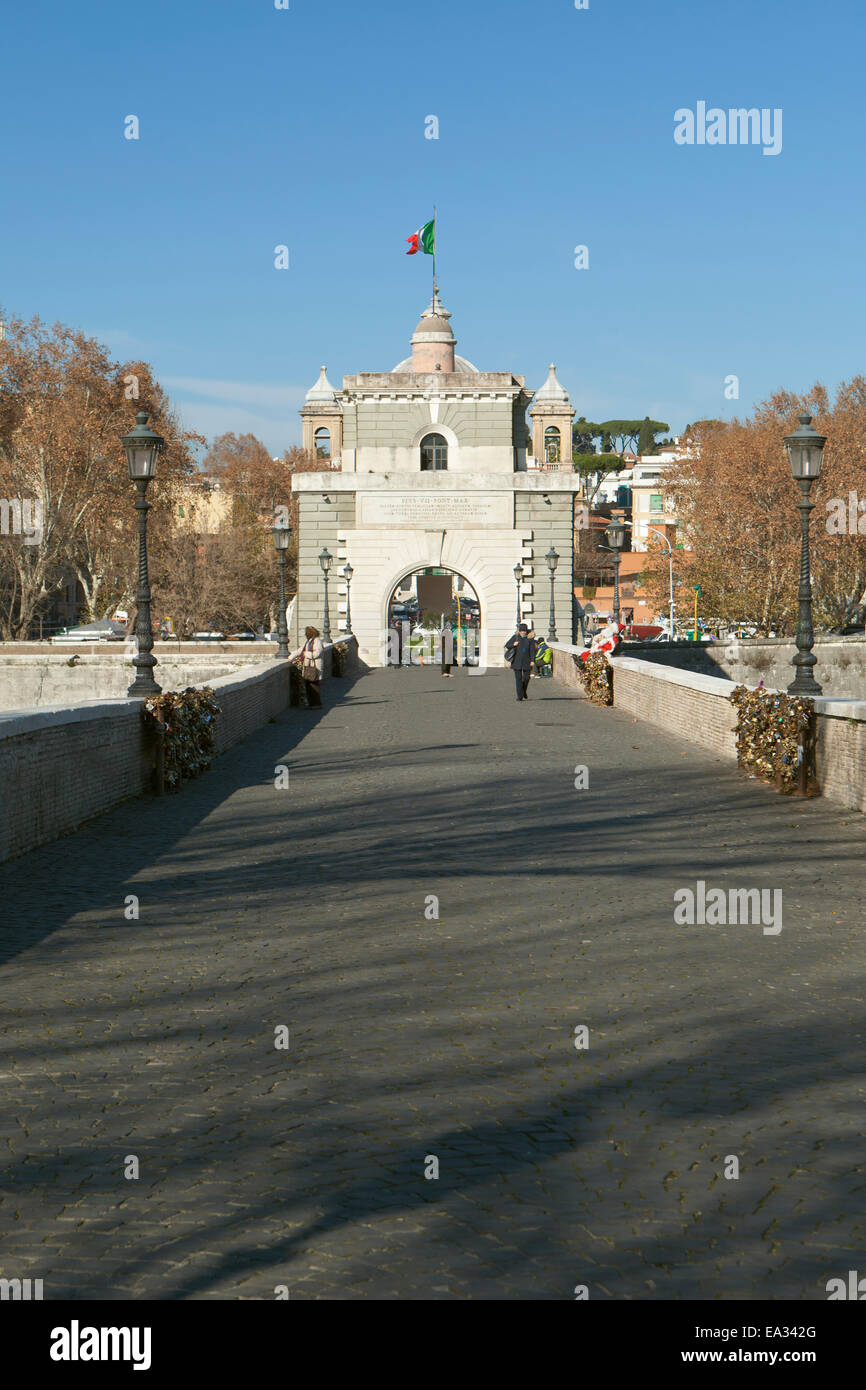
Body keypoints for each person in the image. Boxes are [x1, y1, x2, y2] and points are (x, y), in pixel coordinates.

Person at [289, 625, 324, 708]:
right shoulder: (309, 641)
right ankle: (312, 703)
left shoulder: (317, 641)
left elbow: (317, 653)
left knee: (314, 685)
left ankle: (316, 704)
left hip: (314, 667)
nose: (305, 634)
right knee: (309, 685)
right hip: (309, 667)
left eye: (307, 633)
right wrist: (291, 656)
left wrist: (306, 654)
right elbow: (300, 650)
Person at [504, 622, 537, 701]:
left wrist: (532, 660)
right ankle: (520, 696)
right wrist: (513, 644)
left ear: (527, 630)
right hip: (516, 661)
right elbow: (507, 645)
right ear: (519, 631)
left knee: (526, 678)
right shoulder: (515, 637)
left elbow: (532, 651)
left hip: (527, 661)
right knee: (518, 679)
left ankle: (523, 691)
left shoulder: (530, 639)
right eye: (521, 630)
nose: (523, 632)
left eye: (524, 630)